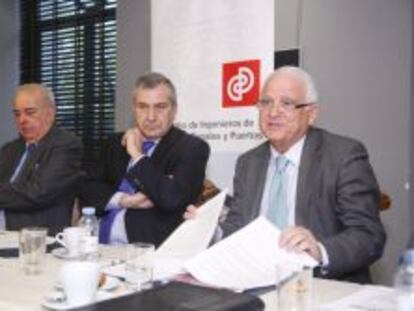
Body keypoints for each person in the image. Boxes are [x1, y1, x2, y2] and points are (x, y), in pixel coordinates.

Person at [187, 66, 386, 283]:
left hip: (320, 285)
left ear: (311, 114)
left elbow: (369, 236)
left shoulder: (342, 156)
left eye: (287, 103)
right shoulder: (248, 163)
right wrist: (210, 230)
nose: (273, 112)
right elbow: (238, 226)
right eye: (266, 102)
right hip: (255, 281)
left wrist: (319, 251)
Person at [81, 72, 210, 246]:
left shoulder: (191, 148)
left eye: (160, 107)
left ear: (174, 110)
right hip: (95, 246)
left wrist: (137, 155)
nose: (150, 117)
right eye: (143, 106)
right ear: (134, 109)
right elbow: (86, 188)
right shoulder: (114, 143)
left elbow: (171, 199)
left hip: (144, 253)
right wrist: (124, 200)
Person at [0, 83, 82, 235]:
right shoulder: (9, 149)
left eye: (30, 112)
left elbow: (37, 192)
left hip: (36, 239)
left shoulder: (65, 145)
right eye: (17, 114)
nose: (22, 120)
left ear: (50, 114)